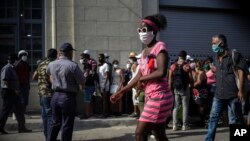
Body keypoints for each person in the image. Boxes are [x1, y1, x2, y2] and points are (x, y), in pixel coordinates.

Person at [110, 14, 173, 141]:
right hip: (152, 96)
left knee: (140, 133)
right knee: (159, 133)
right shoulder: (144, 52)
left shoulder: (160, 47)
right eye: (139, 30)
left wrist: (142, 80)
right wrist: (120, 92)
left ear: (153, 31)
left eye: (144, 30)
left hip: (160, 96)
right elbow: (138, 76)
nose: (141, 33)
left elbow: (161, 72)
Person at [205, 34, 245, 141]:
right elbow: (221, 72)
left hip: (233, 93)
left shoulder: (234, 55)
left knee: (236, 119)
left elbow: (241, 72)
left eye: (214, 43)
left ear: (221, 43)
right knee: (213, 118)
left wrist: (241, 90)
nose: (212, 45)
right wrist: (215, 71)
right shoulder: (216, 57)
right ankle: (209, 139)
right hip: (219, 94)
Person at [46, 43, 85, 141]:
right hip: (67, 97)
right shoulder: (72, 65)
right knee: (67, 123)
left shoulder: (51, 64)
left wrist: (56, 82)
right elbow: (82, 81)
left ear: (60, 53)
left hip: (55, 96)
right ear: (70, 53)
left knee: (54, 122)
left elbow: (49, 75)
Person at [0, 53, 32, 135]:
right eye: (17, 60)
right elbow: (5, 81)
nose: (18, 62)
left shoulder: (13, 68)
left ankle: (22, 128)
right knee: (5, 111)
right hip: (8, 92)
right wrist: (15, 90)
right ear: (14, 60)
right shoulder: (7, 68)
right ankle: (0, 128)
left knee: (19, 110)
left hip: (14, 92)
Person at [32, 48, 58, 139]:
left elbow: (34, 76)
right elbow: (52, 80)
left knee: (45, 117)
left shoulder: (41, 63)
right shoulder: (52, 64)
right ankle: (50, 138)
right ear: (55, 55)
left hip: (41, 94)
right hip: (50, 94)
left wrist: (41, 82)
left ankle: (47, 137)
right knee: (51, 117)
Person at [169, 50, 193, 131]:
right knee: (185, 106)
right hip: (185, 88)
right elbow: (190, 78)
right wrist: (192, 87)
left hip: (176, 88)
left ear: (178, 56)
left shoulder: (173, 66)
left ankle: (174, 125)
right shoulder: (187, 66)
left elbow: (170, 79)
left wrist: (170, 89)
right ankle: (184, 125)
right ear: (185, 57)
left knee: (176, 106)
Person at [79, 50, 98, 119]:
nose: (81, 60)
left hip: (88, 84)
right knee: (90, 99)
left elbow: (86, 76)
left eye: (82, 58)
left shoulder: (87, 67)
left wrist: (82, 84)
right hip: (91, 84)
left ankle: (87, 114)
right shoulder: (89, 65)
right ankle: (91, 112)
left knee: (87, 100)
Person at [16, 50, 31, 114]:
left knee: (25, 100)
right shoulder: (17, 64)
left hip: (26, 84)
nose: (25, 57)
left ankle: (23, 112)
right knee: (20, 99)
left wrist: (28, 84)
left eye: (26, 56)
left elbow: (28, 75)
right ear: (20, 56)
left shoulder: (26, 64)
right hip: (19, 85)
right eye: (23, 56)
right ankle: (19, 113)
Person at [98, 53, 111, 118]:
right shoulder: (100, 66)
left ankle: (105, 114)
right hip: (100, 84)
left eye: (100, 57)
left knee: (104, 100)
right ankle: (105, 112)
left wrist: (104, 85)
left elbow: (107, 75)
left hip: (105, 85)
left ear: (103, 58)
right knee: (102, 100)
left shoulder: (106, 65)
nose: (98, 58)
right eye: (98, 57)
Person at [128, 52, 140, 118]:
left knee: (136, 99)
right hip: (134, 84)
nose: (129, 59)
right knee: (134, 99)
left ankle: (136, 112)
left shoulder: (135, 65)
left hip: (135, 84)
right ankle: (136, 112)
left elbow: (136, 76)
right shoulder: (134, 65)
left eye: (131, 57)